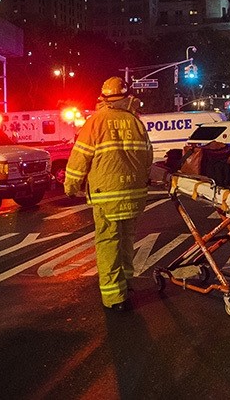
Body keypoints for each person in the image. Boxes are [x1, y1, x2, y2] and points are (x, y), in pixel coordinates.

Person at [65, 76, 154, 312]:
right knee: (126, 241)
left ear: (104, 98)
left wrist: (71, 185)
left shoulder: (95, 122)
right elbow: (148, 158)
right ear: (127, 98)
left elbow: (80, 157)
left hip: (107, 197)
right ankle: (127, 284)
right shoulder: (136, 123)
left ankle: (114, 297)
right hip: (134, 195)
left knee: (108, 243)